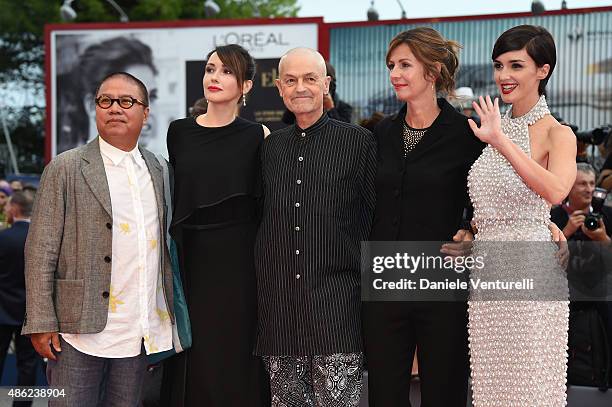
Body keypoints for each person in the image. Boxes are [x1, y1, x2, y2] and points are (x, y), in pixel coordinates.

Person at [22, 72, 174, 406]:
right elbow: (40, 250)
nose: (115, 108)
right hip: (76, 330)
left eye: (126, 101)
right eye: (106, 101)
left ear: (145, 113)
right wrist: (41, 321)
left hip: (138, 331)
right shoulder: (66, 167)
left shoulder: (159, 169)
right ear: (96, 109)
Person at [363, 27, 486, 406]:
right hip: (384, 283)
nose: (394, 73)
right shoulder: (380, 133)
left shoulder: (467, 136)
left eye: (405, 65)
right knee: (384, 393)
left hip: (441, 284)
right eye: (391, 66)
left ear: (432, 72)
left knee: (444, 391)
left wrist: (470, 230)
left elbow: (488, 202)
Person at [255, 47, 376, 406]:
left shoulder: (358, 142)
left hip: (337, 311)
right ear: (279, 88)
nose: (300, 87)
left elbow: (373, 220)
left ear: (326, 84)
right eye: (290, 80)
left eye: (310, 78)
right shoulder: (270, 148)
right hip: (280, 316)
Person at [467, 25, 576, 406]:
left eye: (516, 65)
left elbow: (557, 191)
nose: (503, 76)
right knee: (492, 385)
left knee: (529, 383)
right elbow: (493, 204)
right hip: (488, 271)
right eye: (499, 66)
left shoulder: (557, 133)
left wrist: (501, 141)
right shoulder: (491, 128)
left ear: (542, 71)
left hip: (531, 270)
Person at [166, 44, 270, 406]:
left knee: (235, 349)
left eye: (227, 71)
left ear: (246, 85)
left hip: (241, 261)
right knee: (193, 351)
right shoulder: (178, 132)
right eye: (211, 69)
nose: (215, 77)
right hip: (190, 259)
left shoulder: (259, 136)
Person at [56, 37, 159, 154]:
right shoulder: (67, 167)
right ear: (92, 106)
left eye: (153, 96)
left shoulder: (158, 168)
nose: (147, 109)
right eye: (128, 99)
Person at [0, 190, 41, 407]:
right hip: (31, 313)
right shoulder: (41, 240)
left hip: (2, 312)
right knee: (28, 365)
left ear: (15, 208)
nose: (5, 209)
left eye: (7, 206)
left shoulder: (3, 238)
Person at [281, 60, 353, 124]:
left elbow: (343, 132)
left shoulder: (345, 108)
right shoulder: (305, 100)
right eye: (311, 80)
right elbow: (287, 120)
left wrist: (330, 108)